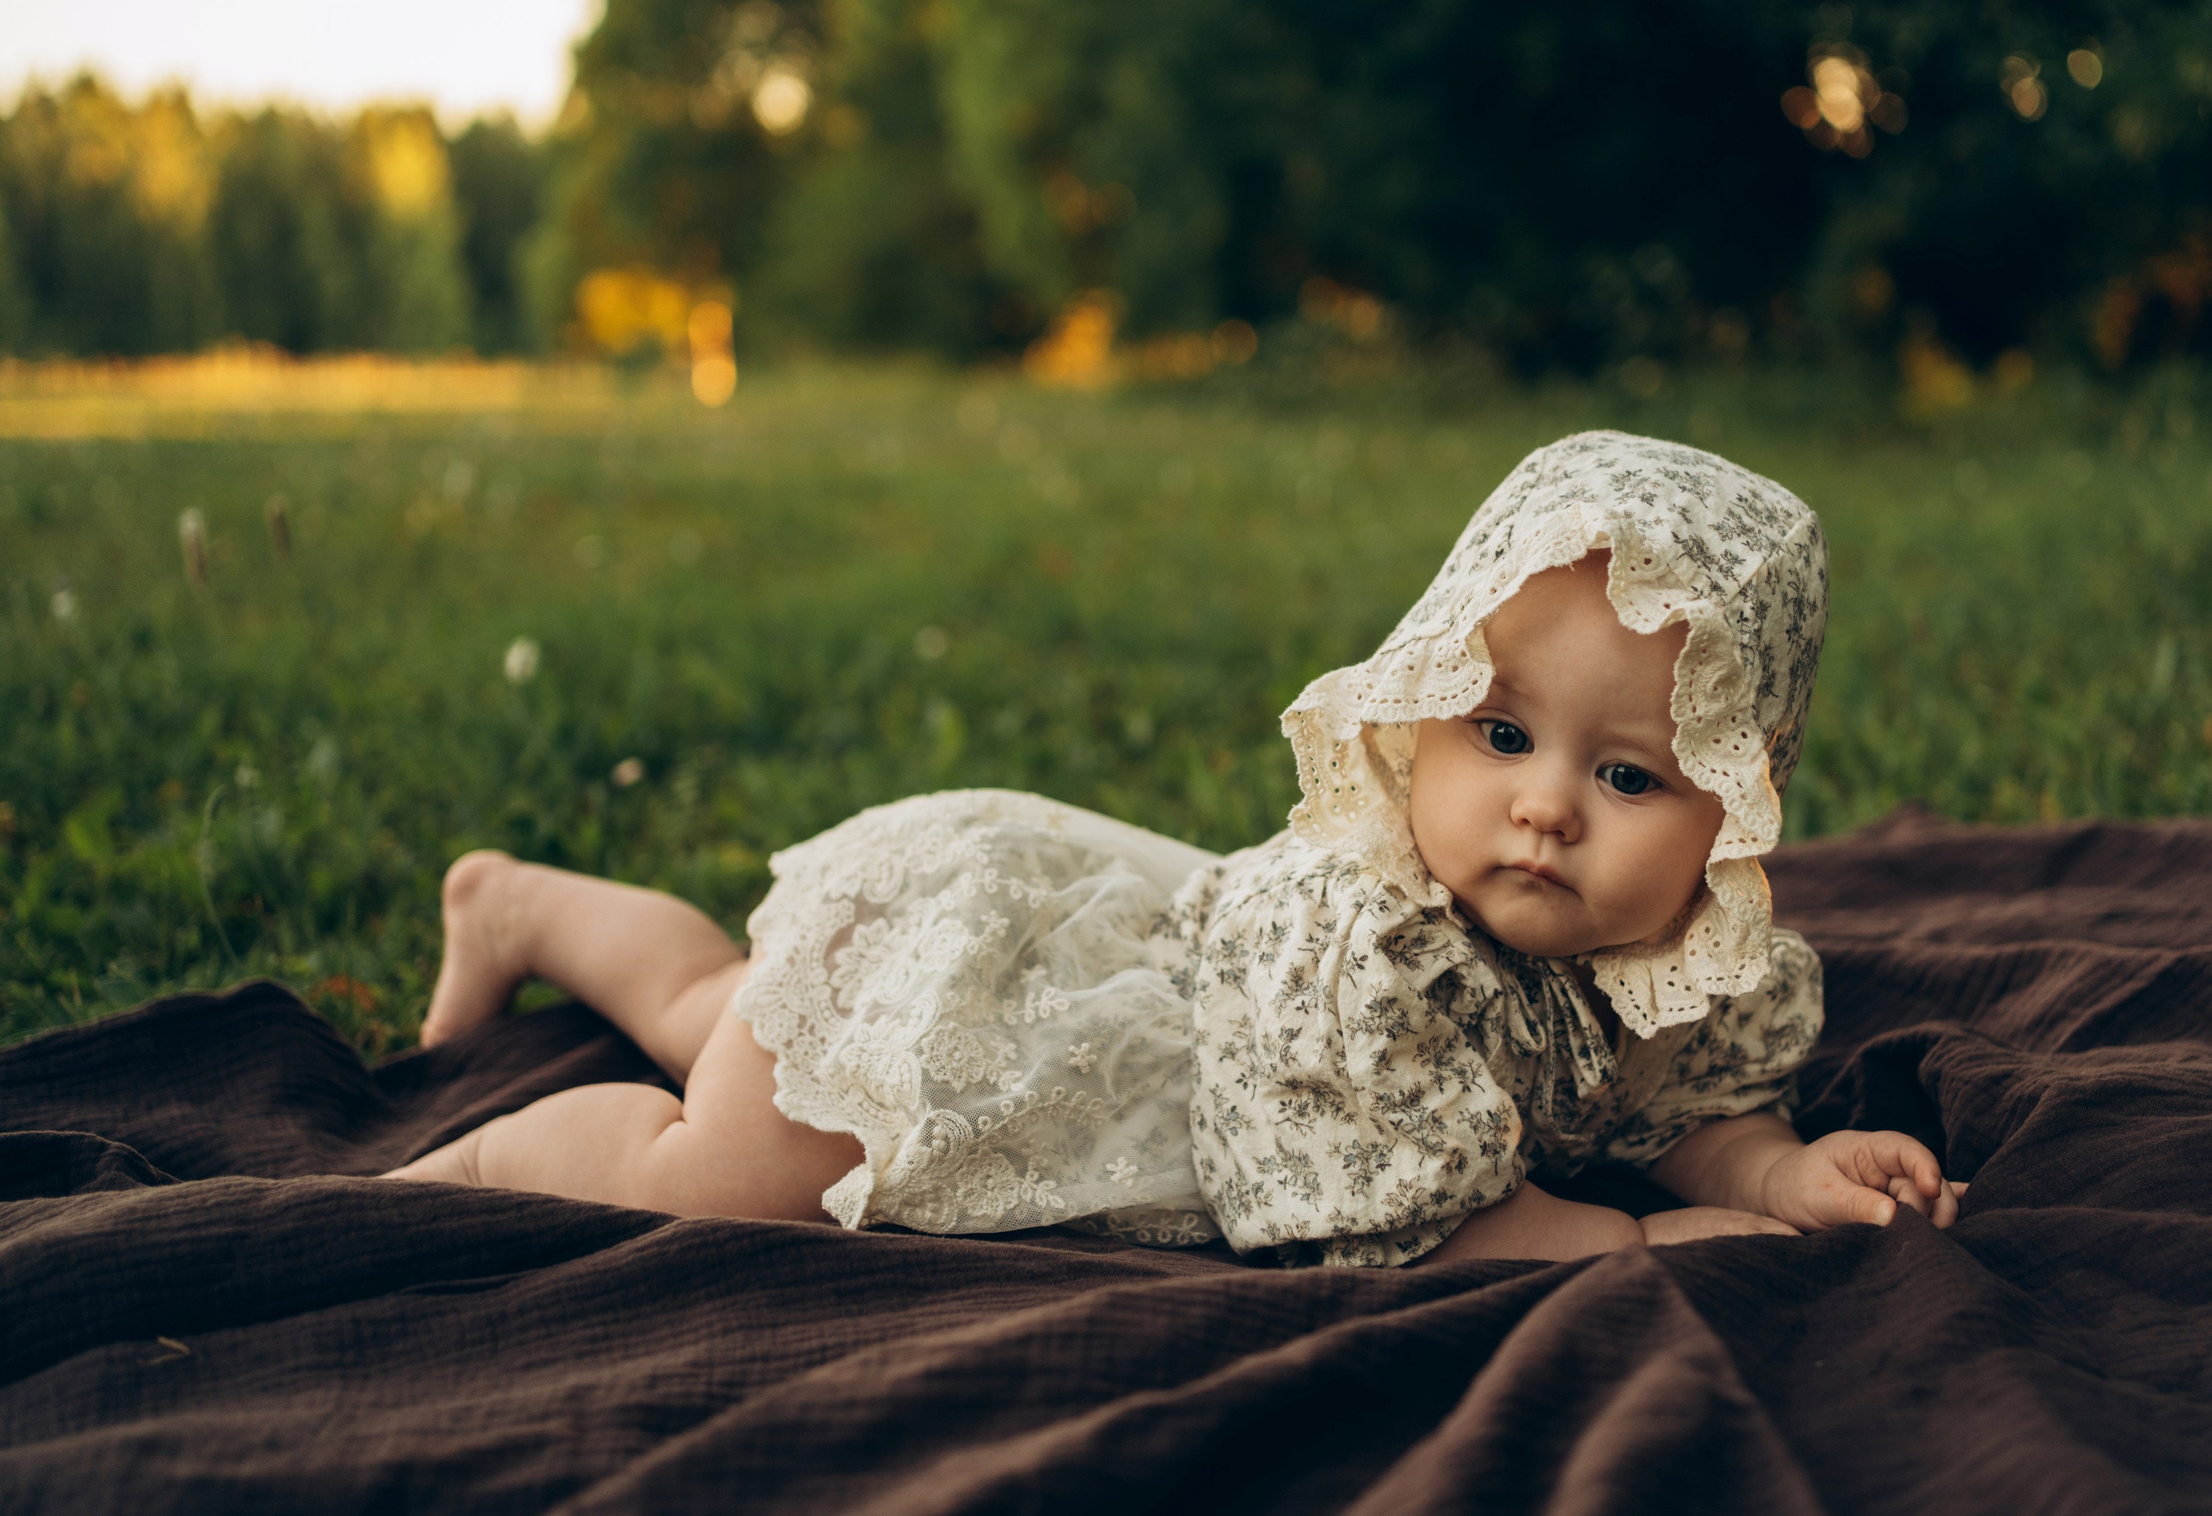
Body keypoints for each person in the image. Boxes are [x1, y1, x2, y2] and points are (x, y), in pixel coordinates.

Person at [388, 430, 1962, 1262]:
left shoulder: (1683, 972)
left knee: (725, 1013)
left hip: (1016, 947)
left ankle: (523, 906)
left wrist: (1777, 1173)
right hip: (992, 1003)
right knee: (719, 1174)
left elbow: (1671, 1116)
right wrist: (1643, 1241)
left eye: (1625, 774)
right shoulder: (1352, 938)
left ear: (1732, 813)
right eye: (1498, 736)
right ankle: (441, 1181)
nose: (1544, 804)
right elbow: (1450, 1227)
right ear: (1414, 711)